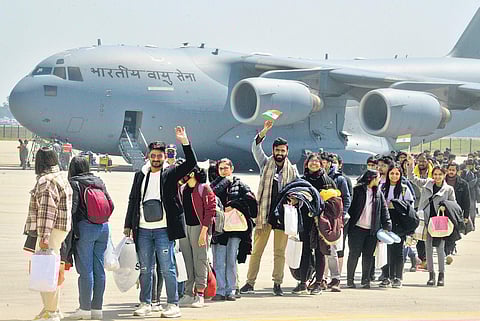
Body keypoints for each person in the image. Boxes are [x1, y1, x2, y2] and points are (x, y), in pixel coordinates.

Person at [123, 126, 196, 318]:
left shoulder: (170, 173)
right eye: (153, 155)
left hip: (164, 229)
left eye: (159, 156)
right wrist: (128, 225)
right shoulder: (141, 174)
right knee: (146, 268)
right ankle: (145, 303)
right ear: (148, 156)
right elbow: (133, 199)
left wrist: (185, 142)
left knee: (167, 267)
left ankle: (173, 304)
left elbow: (191, 163)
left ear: (164, 157)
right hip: (144, 230)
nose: (156, 159)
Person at [240, 120, 298, 296]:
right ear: (273, 151)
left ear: (287, 152)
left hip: (282, 216)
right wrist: (264, 131)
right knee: (257, 251)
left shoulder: (293, 170)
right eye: (277, 150)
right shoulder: (265, 164)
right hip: (264, 214)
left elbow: (299, 190)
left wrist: (294, 201)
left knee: (279, 253)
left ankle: (277, 283)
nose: (279, 153)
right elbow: (255, 148)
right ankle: (250, 283)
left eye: (282, 150)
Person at [25, 147, 73, 321]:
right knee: (49, 268)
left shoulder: (46, 181)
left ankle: (51, 311)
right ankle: (50, 308)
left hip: (50, 230)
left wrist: (44, 236)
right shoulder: (61, 176)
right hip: (61, 228)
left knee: (46, 270)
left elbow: (47, 211)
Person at [67, 156, 113, 320]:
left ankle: (85, 309)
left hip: (86, 228)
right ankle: (97, 309)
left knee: (86, 271)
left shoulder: (75, 183)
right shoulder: (98, 181)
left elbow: (72, 209)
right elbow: (111, 205)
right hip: (103, 227)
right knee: (99, 269)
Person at [210, 158, 258, 301]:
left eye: (226, 168)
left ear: (232, 168)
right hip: (219, 229)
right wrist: (225, 181)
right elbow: (212, 195)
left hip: (235, 229)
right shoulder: (214, 184)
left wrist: (234, 205)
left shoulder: (240, 184)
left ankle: (231, 289)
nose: (224, 171)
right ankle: (220, 289)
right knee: (218, 261)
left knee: (231, 260)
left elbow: (251, 202)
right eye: (221, 168)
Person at [407, 155, 456, 286]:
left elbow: (454, 205)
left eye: (440, 174)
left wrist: (445, 205)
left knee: (440, 249)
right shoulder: (427, 183)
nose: (437, 177)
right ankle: (431, 275)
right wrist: (411, 164)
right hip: (427, 221)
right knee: (428, 248)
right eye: (435, 174)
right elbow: (412, 178)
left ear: (444, 175)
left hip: (440, 222)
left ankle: (441, 275)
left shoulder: (448, 189)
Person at [297, 153, 338, 294]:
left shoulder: (327, 181)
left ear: (321, 164)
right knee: (305, 251)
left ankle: (319, 283)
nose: (314, 164)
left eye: (317, 162)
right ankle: (303, 282)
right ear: (306, 163)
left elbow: (335, 203)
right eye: (311, 161)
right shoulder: (301, 180)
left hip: (321, 222)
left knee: (320, 252)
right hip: (305, 221)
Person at [177, 166, 215, 308]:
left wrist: (204, 232)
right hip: (185, 228)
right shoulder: (182, 189)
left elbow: (210, 210)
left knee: (200, 260)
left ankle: (200, 294)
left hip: (200, 228)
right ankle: (188, 293)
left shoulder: (204, 188)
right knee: (187, 260)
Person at [347, 169, 392, 289]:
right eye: (377, 177)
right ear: (371, 178)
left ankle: (365, 279)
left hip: (372, 230)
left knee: (368, 255)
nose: (379, 180)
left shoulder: (378, 193)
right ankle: (350, 279)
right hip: (356, 229)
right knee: (354, 254)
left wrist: (387, 224)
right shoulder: (357, 191)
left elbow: (384, 210)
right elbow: (350, 207)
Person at [379, 164, 414, 288]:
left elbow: (409, 206)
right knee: (386, 250)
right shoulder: (382, 187)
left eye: (397, 174)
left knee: (398, 250)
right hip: (386, 220)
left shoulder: (404, 189)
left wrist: (396, 205)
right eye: (392, 173)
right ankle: (386, 276)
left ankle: (398, 277)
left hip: (400, 222)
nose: (394, 176)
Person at [444, 162, 470, 264]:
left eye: (453, 170)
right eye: (449, 169)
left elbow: (466, 201)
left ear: (457, 171)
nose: (451, 172)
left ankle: (449, 251)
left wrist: (466, 216)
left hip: (456, 212)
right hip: (443, 211)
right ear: (446, 170)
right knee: (443, 231)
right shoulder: (442, 181)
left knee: (453, 232)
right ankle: (446, 252)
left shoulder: (463, 184)